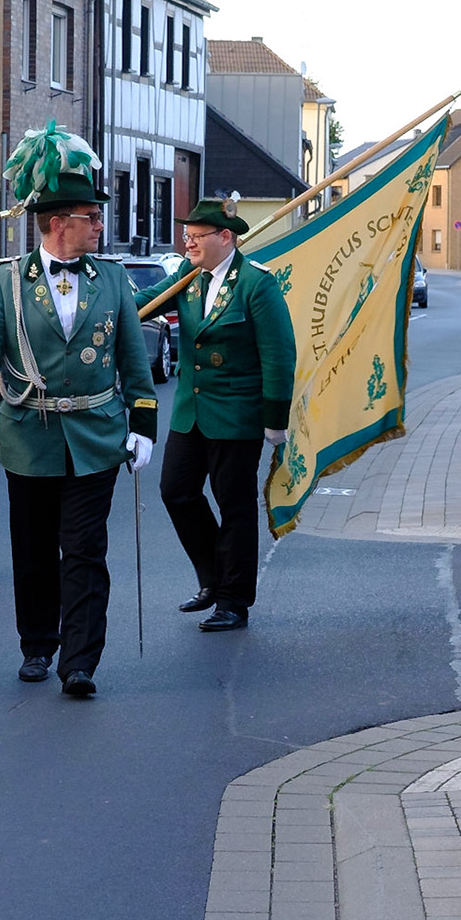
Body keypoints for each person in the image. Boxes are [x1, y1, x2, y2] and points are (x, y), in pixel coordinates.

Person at [0, 122, 156, 697]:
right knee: (35, 547)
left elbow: (133, 360)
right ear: (57, 222)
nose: (100, 225)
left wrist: (142, 423)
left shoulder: (113, 280)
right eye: (91, 216)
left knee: (87, 550)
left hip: (95, 434)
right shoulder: (5, 283)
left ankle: (81, 660)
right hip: (29, 433)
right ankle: (38, 644)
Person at [134, 194, 296, 632]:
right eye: (185, 237)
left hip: (236, 415)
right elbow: (145, 303)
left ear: (225, 237)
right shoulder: (190, 276)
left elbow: (279, 356)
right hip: (190, 413)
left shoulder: (256, 285)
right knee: (176, 492)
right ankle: (212, 578)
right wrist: (105, 312)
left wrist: (275, 420)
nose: (187, 244)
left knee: (235, 507)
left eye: (195, 237)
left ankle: (234, 600)